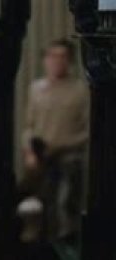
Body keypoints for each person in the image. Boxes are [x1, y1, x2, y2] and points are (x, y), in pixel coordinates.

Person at [21, 39, 89, 241]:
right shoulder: (36, 89)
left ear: (70, 61)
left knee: (64, 203)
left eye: (62, 57)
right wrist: (29, 152)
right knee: (40, 205)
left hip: (69, 156)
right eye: (52, 56)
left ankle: (66, 243)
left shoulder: (81, 90)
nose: (56, 61)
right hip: (41, 157)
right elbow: (29, 126)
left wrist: (62, 145)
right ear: (45, 60)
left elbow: (88, 130)